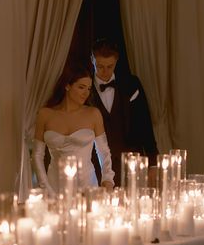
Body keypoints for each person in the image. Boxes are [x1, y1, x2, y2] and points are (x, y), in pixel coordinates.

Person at [32, 63, 115, 197]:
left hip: (87, 185)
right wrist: (46, 187)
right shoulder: (45, 114)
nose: (86, 93)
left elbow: (104, 152)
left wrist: (107, 179)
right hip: (54, 186)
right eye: (81, 87)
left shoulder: (93, 114)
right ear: (67, 85)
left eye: (88, 88)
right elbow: (37, 155)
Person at [90, 38, 158, 185]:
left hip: (130, 163)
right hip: (96, 166)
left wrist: (152, 161)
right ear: (92, 61)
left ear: (116, 61)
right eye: (100, 66)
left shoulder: (131, 84)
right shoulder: (84, 89)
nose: (105, 72)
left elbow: (144, 123)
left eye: (110, 66)